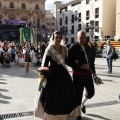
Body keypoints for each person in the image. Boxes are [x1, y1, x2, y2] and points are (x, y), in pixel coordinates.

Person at [37, 31, 77, 120]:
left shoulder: (64, 49)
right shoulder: (49, 49)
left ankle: (63, 115)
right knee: (52, 96)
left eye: (60, 37)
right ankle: (52, 116)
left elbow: (67, 62)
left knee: (65, 94)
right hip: (53, 75)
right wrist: (44, 75)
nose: (58, 39)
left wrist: (77, 62)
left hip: (64, 75)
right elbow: (45, 64)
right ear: (53, 38)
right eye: (56, 37)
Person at [67, 30, 97, 120]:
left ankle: (83, 104)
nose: (83, 39)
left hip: (88, 75)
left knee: (91, 92)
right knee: (78, 95)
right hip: (78, 75)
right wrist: (80, 65)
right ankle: (79, 114)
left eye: (84, 37)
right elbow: (68, 62)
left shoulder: (88, 47)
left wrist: (94, 74)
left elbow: (91, 62)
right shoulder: (73, 48)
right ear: (77, 37)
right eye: (81, 37)